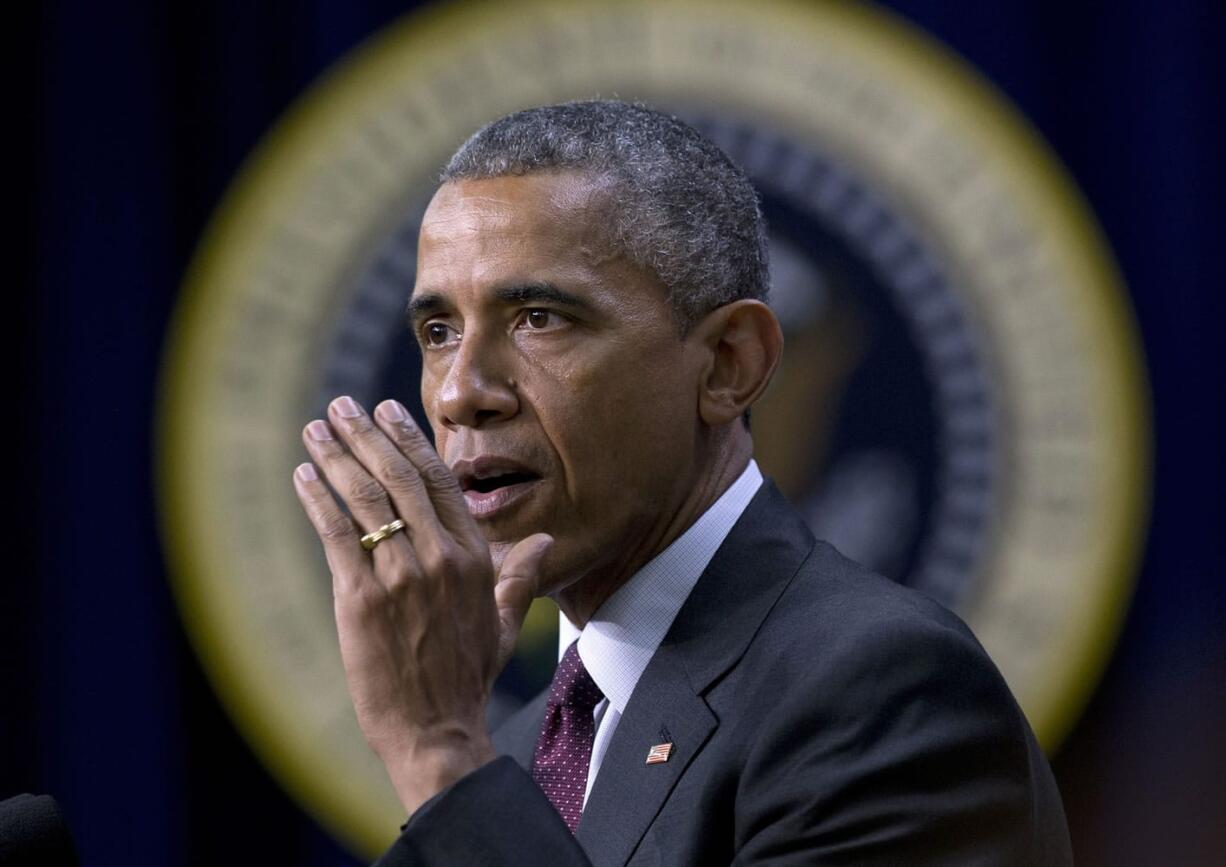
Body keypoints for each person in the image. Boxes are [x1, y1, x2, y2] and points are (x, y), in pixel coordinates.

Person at [291, 100, 1072, 865]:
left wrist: (437, 750)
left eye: (538, 317)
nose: (461, 392)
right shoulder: (519, 755)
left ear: (731, 363)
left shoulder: (882, 691)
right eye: (439, 332)